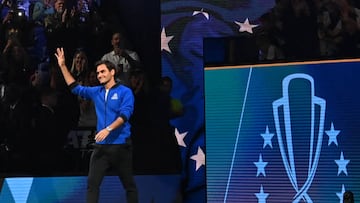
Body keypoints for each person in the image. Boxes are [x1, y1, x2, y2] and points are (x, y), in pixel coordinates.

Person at [54, 47, 138, 203]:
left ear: (112, 72)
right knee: (92, 184)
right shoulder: (96, 91)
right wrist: (63, 66)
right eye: (98, 73)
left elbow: (125, 115)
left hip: (121, 147)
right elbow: (75, 88)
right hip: (101, 147)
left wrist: (108, 129)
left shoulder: (125, 92)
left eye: (103, 72)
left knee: (129, 186)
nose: (99, 75)